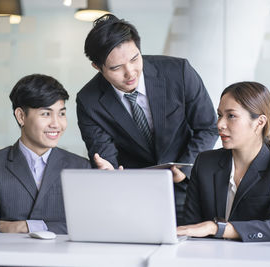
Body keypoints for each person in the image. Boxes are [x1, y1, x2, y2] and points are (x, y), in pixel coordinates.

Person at [76, 14, 218, 224]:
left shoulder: (178, 72)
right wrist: (108, 173)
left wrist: (184, 167)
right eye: (116, 68)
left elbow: (207, 127)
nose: (130, 72)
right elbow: (105, 156)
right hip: (133, 194)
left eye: (135, 59)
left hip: (189, 185)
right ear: (98, 67)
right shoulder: (89, 101)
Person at [0, 74, 112, 234]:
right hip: (9, 258)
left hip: (62, 259)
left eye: (61, 114)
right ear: (21, 116)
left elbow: (90, 227)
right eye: (46, 114)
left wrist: (25, 226)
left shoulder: (81, 167)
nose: (56, 124)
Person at [177, 81, 270, 242]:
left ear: (259, 122)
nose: (220, 124)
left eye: (231, 116)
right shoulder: (205, 163)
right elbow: (191, 227)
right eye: (220, 115)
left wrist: (217, 228)